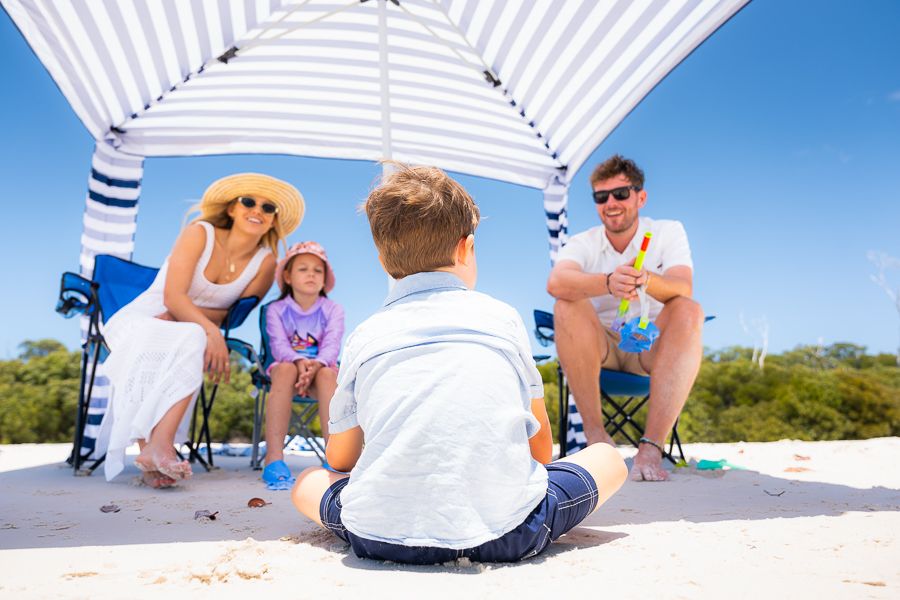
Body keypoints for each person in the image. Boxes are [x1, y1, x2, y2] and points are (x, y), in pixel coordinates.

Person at [291, 162, 627, 564]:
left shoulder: (365, 334)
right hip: (511, 531)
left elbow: (340, 460)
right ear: (466, 247)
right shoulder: (501, 318)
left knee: (308, 481)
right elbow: (541, 451)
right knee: (607, 456)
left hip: (380, 536)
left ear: (382, 261)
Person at [95, 173, 304, 488]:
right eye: (248, 201)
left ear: (274, 220)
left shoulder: (265, 263)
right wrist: (208, 329)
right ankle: (157, 447)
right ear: (232, 209)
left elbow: (229, 313)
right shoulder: (199, 233)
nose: (257, 210)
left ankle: (154, 455)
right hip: (143, 318)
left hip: (185, 330)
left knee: (189, 336)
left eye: (268, 207)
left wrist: (200, 323)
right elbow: (172, 297)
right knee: (188, 336)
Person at [546, 154, 704, 482]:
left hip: (648, 347)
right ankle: (597, 441)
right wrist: (607, 282)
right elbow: (556, 282)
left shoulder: (666, 232)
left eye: (621, 194)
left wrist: (647, 279)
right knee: (566, 303)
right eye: (601, 197)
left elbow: (683, 287)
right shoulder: (583, 242)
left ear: (640, 197)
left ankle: (651, 448)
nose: (611, 203)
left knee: (689, 309)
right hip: (599, 349)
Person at [262, 241, 345, 490]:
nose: (311, 274)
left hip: (320, 373)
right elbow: (277, 345)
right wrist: (298, 362)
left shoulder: (333, 309)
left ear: (324, 278)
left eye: (317, 270)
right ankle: (274, 458)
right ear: (287, 275)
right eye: (303, 269)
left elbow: (332, 344)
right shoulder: (275, 309)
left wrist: (315, 366)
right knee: (285, 368)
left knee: (330, 374)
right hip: (287, 374)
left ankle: (336, 458)